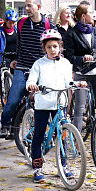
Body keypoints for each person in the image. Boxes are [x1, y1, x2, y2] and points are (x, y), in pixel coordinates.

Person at [0, 0, 55, 139]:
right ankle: (5, 124)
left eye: (30, 5)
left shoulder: (49, 25)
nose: (27, 9)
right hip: (23, 67)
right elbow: (19, 42)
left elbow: (56, 47)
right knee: (13, 99)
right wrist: (16, 58)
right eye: (26, 5)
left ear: (38, 7)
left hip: (41, 69)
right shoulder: (22, 23)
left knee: (43, 100)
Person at [25, 29, 74, 183]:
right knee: (39, 134)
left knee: (62, 135)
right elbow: (31, 79)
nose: (52, 50)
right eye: (49, 47)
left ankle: (64, 165)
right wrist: (32, 85)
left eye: (55, 46)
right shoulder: (39, 64)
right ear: (44, 48)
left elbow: (68, 82)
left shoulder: (66, 64)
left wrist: (77, 83)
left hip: (60, 103)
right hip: (43, 103)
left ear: (60, 46)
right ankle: (37, 167)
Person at [64, 3, 96, 133]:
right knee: (80, 108)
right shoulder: (72, 33)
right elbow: (69, 56)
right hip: (81, 73)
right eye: (90, 12)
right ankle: (77, 138)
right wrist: (82, 58)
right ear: (83, 16)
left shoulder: (95, 31)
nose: (93, 15)